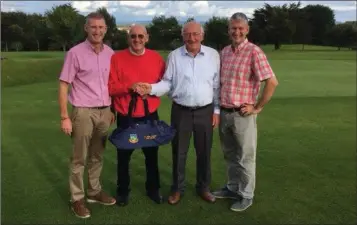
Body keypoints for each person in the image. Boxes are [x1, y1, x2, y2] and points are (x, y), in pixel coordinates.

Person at [135, 21, 220, 205]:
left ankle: (204, 187)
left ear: (202, 35)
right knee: (179, 152)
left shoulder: (213, 55)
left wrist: (216, 110)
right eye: (188, 34)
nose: (192, 38)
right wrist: (150, 88)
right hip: (181, 111)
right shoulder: (174, 56)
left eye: (195, 34)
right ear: (183, 36)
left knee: (204, 152)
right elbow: (167, 83)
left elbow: (216, 86)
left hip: (205, 111)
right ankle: (177, 189)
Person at [212, 12, 279, 212]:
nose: (237, 31)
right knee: (230, 155)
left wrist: (257, 107)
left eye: (241, 28)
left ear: (247, 30)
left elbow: (272, 81)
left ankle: (246, 194)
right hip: (225, 112)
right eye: (233, 28)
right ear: (229, 30)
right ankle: (233, 188)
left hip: (243, 114)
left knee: (245, 157)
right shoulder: (224, 52)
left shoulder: (254, 52)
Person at [58, 12, 116, 219]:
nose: (97, 31)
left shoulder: (110, 53)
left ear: (106, 29)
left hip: (105, 111)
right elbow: (64, 84)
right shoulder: (75, 53)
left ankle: (94, 191)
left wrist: (113, 110)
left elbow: (112, 84)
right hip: (83, 111)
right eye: (93, 27)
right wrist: (65, 116)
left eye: (101, 27)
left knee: (98, 154)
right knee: (79, 158)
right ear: (86, 28)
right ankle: (77, 198)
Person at [108, 24, 166, 206]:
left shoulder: (156, 58)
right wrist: (129, 87)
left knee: (151, 154)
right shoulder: (116, 59)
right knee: (124, 155)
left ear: (147, 38)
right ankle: (123, 191)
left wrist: (151, 90)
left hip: (150, 115)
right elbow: (111, 87)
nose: (137, 40)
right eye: (133, 36)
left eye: (141, 36)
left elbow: (164, 84)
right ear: (128, 39)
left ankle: (153, 189)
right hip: (127, 116)